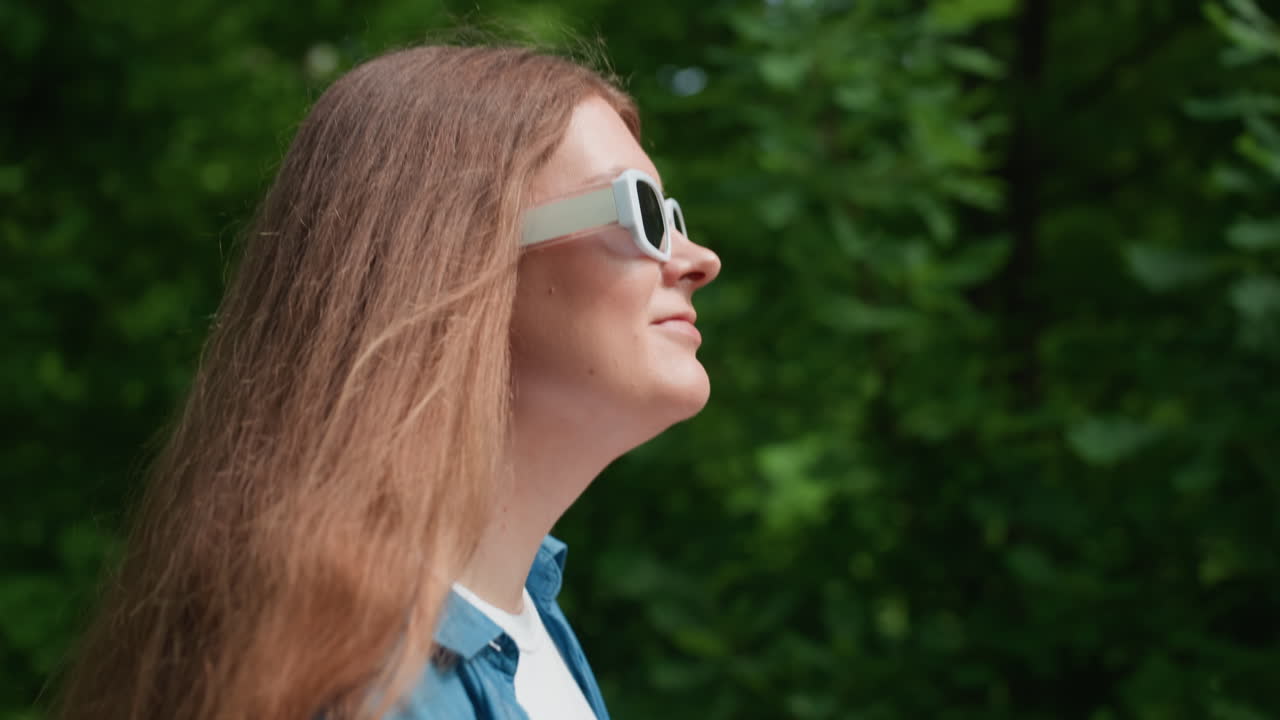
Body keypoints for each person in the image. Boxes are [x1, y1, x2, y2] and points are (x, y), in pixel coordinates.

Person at [55, 44, 720, 720]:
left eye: (676, 221)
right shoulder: (358, 691)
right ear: (457, 260)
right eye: (643, 213)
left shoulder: (528, 624)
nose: (699, 260)